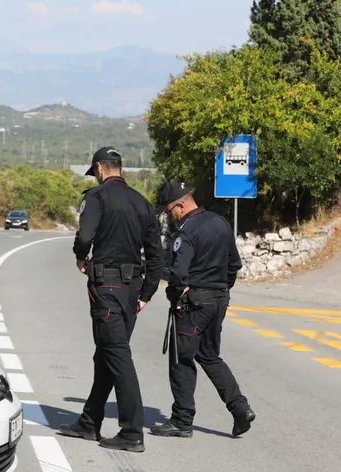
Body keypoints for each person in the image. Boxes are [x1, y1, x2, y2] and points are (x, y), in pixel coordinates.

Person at [58, 146, 163, 453]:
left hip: (107, 287)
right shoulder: (143, 204)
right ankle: (89, 422)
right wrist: (146, 294)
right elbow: (156, 256)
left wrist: (80, 257)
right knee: (106, 354)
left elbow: (85, 236)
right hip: (132, 290)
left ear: (100, 170)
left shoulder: (97, 197)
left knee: (117, 356)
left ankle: (132, 431)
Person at [150, 182, 255, 439]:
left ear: (181, 204)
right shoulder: (221, 222)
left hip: (193, 304)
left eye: (169, 211)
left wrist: (174, 294)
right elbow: (235, 264)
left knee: (181, 360)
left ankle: (182, 420)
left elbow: (177, 274)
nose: (169, 217)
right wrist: (220, 290)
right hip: (219, 301)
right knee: (209, 355)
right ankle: (240, 408)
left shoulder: (186, 232)